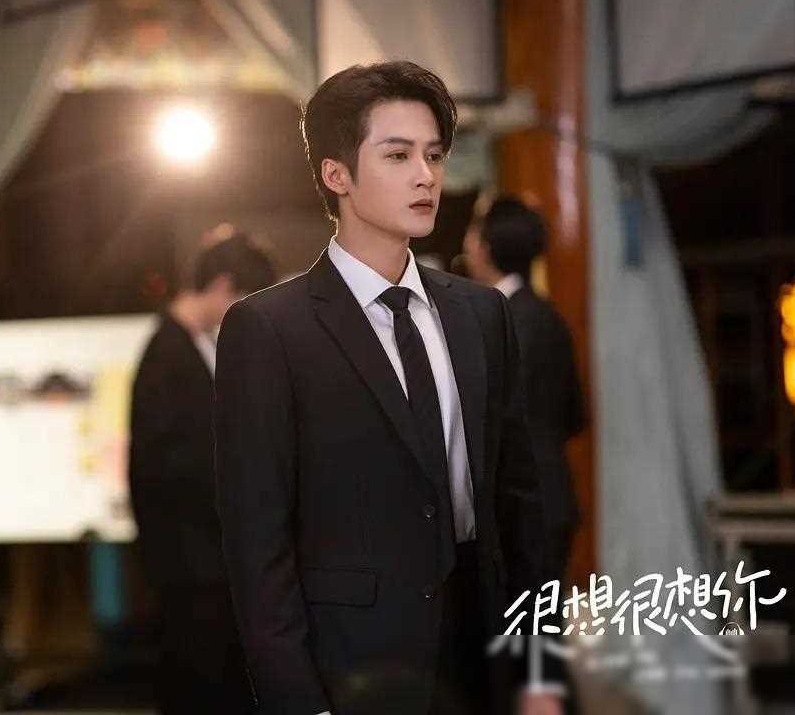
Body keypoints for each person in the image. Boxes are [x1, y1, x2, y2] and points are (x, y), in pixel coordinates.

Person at [214, 61, 558, 715]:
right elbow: (258, 545)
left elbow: (520, 509)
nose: (426, 175)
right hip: (353, 663)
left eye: (434, 155)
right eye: (398, 155)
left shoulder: (481, 314)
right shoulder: (269, 329)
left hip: (483, 652)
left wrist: (543, 673)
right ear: (336, 174)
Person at [128, 231, 275, 715]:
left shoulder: (194, 344)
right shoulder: (167, 353)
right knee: (198, 684)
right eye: (243, 299)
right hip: (190, 562)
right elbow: (160, 465)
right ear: (222, 285)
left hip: (206, 559)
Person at [463, 195, 585, 584]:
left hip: (519, 506)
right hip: (555, 495)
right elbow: (576, 416)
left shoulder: (499, 321)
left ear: (485, 247)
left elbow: (485, 419)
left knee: (517, 617)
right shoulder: (550, 316)